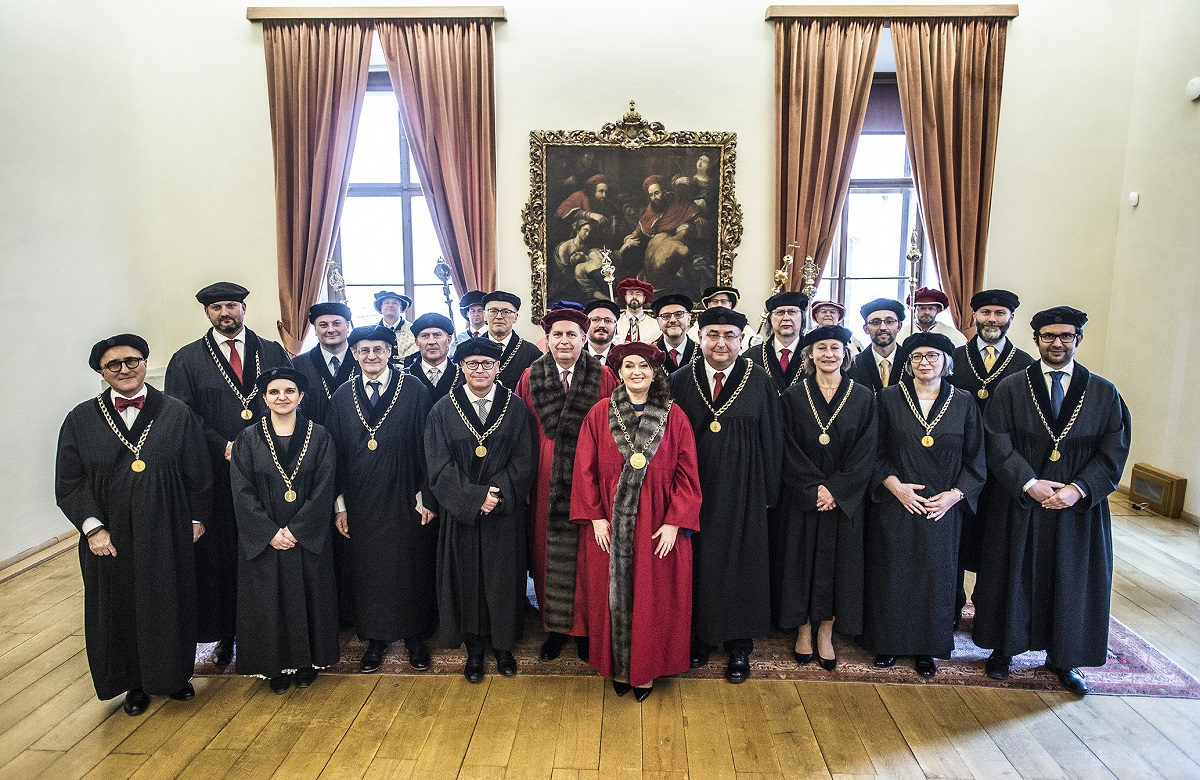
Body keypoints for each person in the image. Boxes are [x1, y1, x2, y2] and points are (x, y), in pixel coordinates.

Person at [972, 306, 1131, 694]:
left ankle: (1064, 658)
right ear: (1036, 339)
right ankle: (1003, 650)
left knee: (1071, 579)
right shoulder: (1011, 388)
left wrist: (1078, 489)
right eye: (1048, 336)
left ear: (1078, 339)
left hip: (1077, 507)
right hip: (1020, 500)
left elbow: (1113, 449)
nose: (1057, 343)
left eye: (1065, 336)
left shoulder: (1103, 392)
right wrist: (1028, 483)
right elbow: (996, 441)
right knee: (1010, 573)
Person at [56, 334, 212, 716]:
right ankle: (134, 684)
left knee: (169, 600)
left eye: (132, 361)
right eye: (114, 364)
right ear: (101, 372)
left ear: (144, 363)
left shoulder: (176, 412)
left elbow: (198, 470)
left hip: (167, 526)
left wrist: (196, 519)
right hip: (110, 535)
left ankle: (175, 676)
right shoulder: (79, 419)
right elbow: (70, 481)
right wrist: (93, 529)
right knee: (120, 605)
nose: (124, 369)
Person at [164, 281, 292, 666]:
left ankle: (275, 626)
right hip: (217, 472)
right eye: (217, 307)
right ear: (207, 313)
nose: (225, 313)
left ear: (243, 309)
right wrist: (223, 446)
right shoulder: (186, 360)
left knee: (269, 546)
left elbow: (289, 399)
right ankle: (227, 633)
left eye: (232, 306)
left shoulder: (271, 350)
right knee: (225, 554)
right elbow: (183, 417)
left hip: (270, 470)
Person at [571, 342, 703, 701]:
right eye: (629, 366)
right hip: (609, 524)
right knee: (608, 596)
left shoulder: (674, 415)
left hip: (657, 522)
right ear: (619, 372)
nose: (636, 372)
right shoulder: (600, 413)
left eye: (643, 366)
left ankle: (646, 669)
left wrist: (675, 522)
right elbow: (584, 469)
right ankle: (617, 666)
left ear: (655, 372)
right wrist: (595, 517)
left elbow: (687, 473)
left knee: (653, 598)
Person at [862, 333, 985, 678]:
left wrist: (955, 495)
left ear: (946, 362)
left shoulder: (964, 402)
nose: (924, 362)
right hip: (896, 503)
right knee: (892, 573)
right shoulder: (888, 398)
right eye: (916, 356)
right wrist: (895, 487)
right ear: (908, 362)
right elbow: (873, 451)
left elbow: (976, 459)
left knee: (936, 577)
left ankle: (927, 647)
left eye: (933, 356)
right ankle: (887, 642)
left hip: (942, 508)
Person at [669, 307, 782, 683]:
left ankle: (738, 643)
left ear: (741, 339)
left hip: (744, 489)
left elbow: (772, 438)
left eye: (730, 335)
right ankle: (701, 637)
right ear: (699, 337)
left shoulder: (759, 379)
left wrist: (768, 493)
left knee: (741, 562)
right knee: (699, 561)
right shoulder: (679, 379)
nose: (721, 343)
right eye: (713, 335)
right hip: (694, 488)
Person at [325, 325, 437, 673]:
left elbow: (430, 446)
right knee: (368, 569)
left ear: (390, 352)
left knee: (409, 565)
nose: (371, 355)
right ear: (354, 354)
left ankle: (414, 637)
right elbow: (334, 455)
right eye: (364, 350)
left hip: (407, 495)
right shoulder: (342, 396)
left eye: (378, 349)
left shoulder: (414, 389)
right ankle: (374, 639)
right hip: (361, 499)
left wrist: (428, 496)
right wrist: (340, 505)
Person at [425, 338, 536, 682]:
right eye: (472, 364)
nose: (479, 370)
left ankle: (503, 646)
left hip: (503, 513)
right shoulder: (443, 410)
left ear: (498, 367)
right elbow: (438, 465)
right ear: (461, 367)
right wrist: (474, 498)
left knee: (504, 578)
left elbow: (525, 459)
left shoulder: (515, 408)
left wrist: (496, 495)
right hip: (461, 515)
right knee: (466, 579)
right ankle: (473, 648)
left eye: (487, 364)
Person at [516, 307, 619, 662]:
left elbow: (613, 431)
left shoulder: (603, 376)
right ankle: (556, 629)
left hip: (588, 478)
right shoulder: (530, 376)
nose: (564, 341)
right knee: (547, 556)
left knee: (590, 557)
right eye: (557, 335)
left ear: (584, 338)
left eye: (572, 334)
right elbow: (521, 433)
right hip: (544, 480)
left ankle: (587, 629)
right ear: (547, 339)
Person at [230, 367, 339, 694]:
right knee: (268, 600)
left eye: (289, 391)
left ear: (301, 396)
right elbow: (242, 490)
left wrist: (297, 529)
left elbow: (324, 486)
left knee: (309, 596)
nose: (282, 397)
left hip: (306, 535)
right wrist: (268, 532)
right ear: (264, 398)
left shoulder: (320, 436)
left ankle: (307, 663)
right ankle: (273, 666)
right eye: (274, 392)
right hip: (266, 537)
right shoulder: (248, 438)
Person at [777, 325, 877, 670]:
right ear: (810, 354)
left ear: (845, 354)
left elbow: (867, 451)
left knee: (840, 567)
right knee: (800, 563)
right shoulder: (792, 396)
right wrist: (813, 489)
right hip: (803, 498)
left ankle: (827, 631)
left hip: (844, 502)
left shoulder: (863, 397)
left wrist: (836, 489)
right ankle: (803, 628)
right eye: (821, 348)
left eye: (835, 347)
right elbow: (786, 447)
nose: (828, 354)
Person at [946, 289, 1035, 623]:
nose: (992, 320)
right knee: (956, 538)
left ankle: (987, 611)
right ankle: (951, 606)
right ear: (974, 316)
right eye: (986, 313)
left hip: (1002, 471)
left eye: (1000, 313)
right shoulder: (952, 358)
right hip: (958, 467)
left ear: (1011, 317)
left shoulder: (1025, 365)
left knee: (995, 542)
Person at [294, 302, 355, 426]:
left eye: (337, 323)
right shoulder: (299, 364)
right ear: (315, 330)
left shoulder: (363, 361)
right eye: (323, 325)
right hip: (315, 434)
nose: (331, 330)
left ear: (347, 326)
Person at [747, 291, 809, 395]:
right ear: (770, 319)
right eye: (780, 312)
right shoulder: (752, 356)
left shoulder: (814, 355)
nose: (786, 318)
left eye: (792, 312)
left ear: (802, 317)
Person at [481, 291, 543, 388]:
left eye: (506, 312)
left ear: (515, 317)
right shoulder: (470, 349)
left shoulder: (531, 353)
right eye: (493, 311)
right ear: (485, 315)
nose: (499, 317)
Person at [846, 298, 905, 394]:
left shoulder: (912, 362)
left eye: (889, 321)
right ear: (866, 329)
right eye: (875, 322)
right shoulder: (853, 366)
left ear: (899, 326)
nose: (883, 327)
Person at [900, 287, 968, 348]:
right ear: (914, 310)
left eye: (931, 308)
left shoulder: (952, 333)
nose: (927, 312)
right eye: (922, 308)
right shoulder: (902, 332)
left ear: (937, 310)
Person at [651, 293, 697, 373]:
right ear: (658, 322)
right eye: (666, 316)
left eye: (678, 314)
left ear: (689, 319)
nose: (673, 320)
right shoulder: (650, 354)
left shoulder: (702, 354)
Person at [374, 290, 418, 363]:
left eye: (395, 303)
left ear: (401, 309)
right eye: (386, 302)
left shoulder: (413, 330)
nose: (390, 305)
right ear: (381, 308)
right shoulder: (373, 331)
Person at [613, 278, 661, 344]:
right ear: (625, 297)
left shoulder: (655, 325)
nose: (634, 297)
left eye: (638, 294)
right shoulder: (615, 322)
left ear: (644, 298)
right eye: (631, 293)